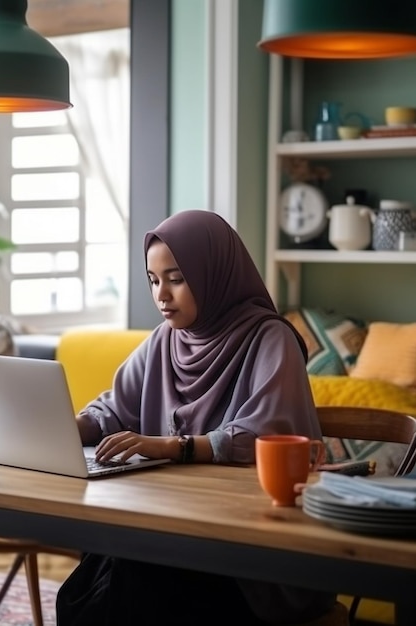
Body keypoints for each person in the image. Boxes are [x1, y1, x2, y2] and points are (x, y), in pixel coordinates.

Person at [56, 210, 336, 625]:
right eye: (153, 280)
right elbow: (113, 409)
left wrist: (171, 446)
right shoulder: (165, 341)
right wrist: (56, 427)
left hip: (252, 555)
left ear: (214, 272)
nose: (161, 296)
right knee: (91, 581)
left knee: (132, 578)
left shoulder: (269, 338)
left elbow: (264, 434)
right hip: (175, 530)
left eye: (176, 278)